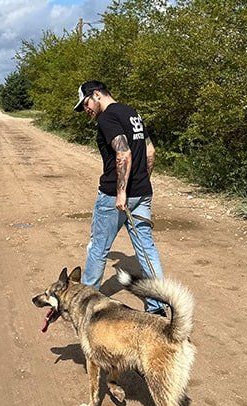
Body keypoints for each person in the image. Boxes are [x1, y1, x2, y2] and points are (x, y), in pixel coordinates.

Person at [73, 80, 165, 316]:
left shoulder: (107, 118)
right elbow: (150, 151)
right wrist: (142, 180)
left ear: (96, 95)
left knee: (98, 249)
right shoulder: (132, 113)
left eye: (85, 104)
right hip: (142, 194)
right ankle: (158, 308)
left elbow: (123, 152)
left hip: (114, 196)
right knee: (146, 250)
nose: (86, 110)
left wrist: (122, 191)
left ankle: (85, 303)